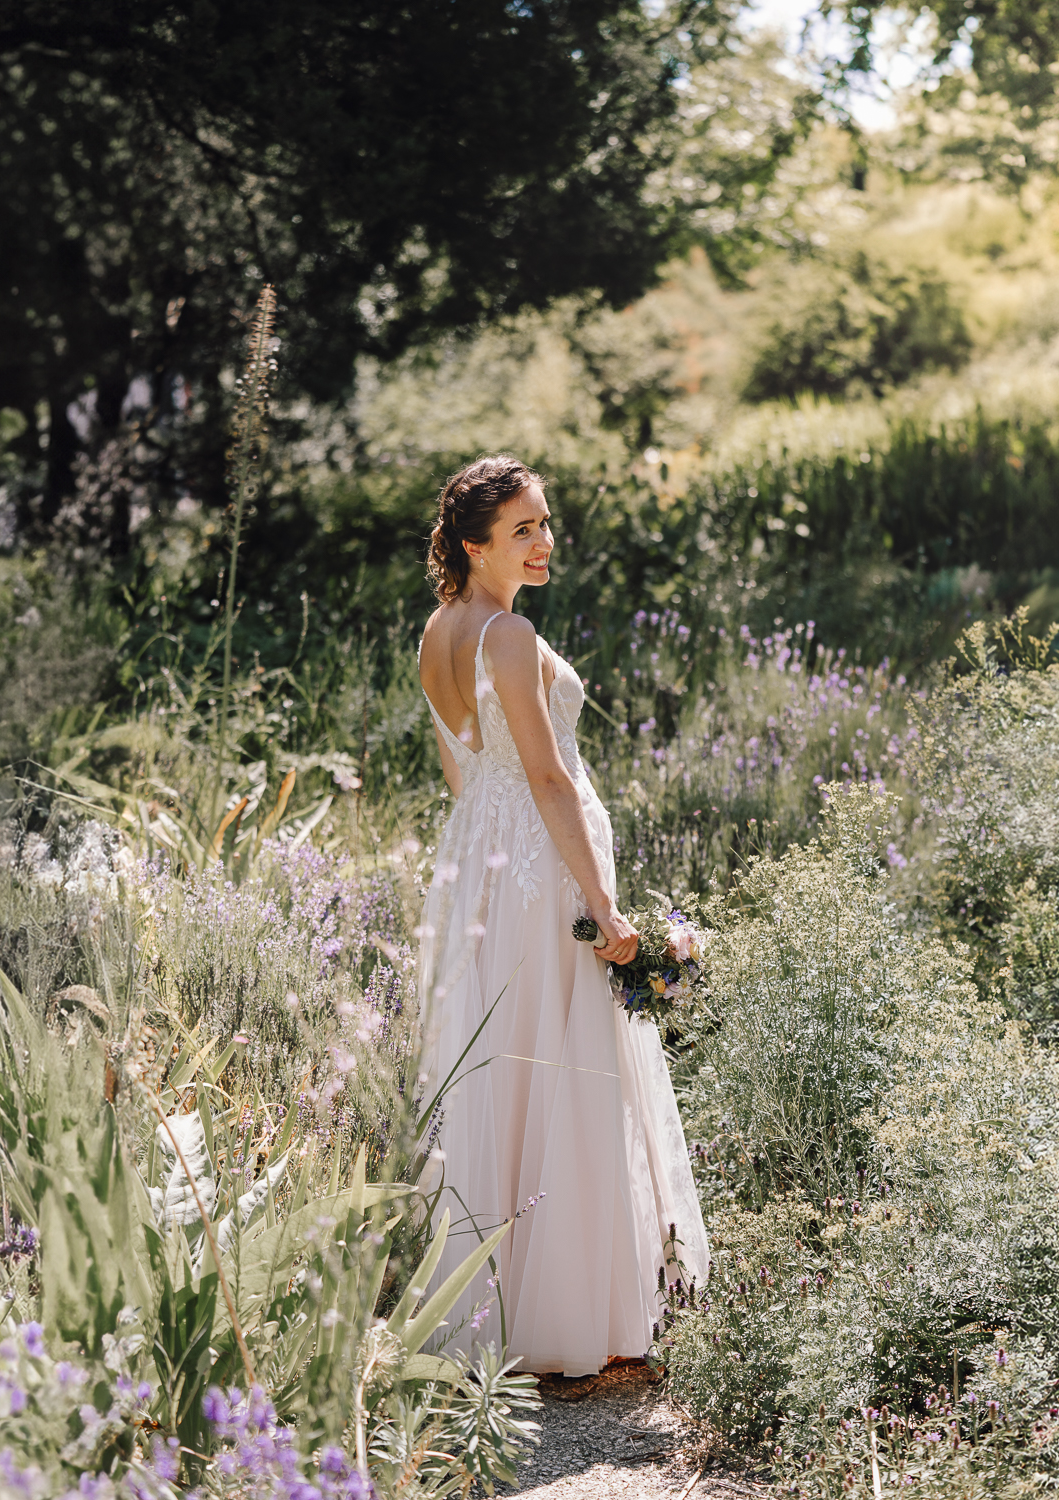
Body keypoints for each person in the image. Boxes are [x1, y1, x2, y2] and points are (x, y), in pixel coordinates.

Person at [415, 454, 709, 1377]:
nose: (544, 542)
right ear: (476, 544)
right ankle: (576, 1316)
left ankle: (494, 1303)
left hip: (483, 862)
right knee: (568, 1062)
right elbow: (546, 775)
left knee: (506, 1064)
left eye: (545, 523)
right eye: (523, 530)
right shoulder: (505, 633)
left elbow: (463, 763)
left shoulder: (437, 630)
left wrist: (486, 853)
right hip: (542, 863)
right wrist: (602, 901)